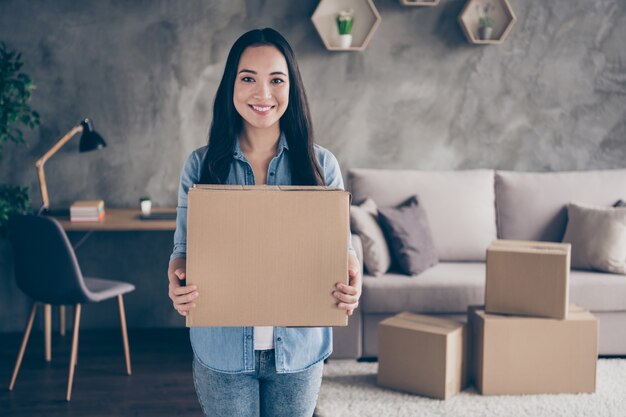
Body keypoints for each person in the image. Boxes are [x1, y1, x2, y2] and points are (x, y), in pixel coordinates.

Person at [167, 28, 362, 417]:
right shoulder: (201, 167)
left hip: (299, 353)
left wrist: (353, 274)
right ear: (231, 86)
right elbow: (183, 251)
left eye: (276, 79)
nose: (263, 93)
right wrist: (176, 277)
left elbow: (342, 251)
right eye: (248, 79)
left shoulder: (321, 166)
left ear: (292, 88)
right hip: (222, 352)